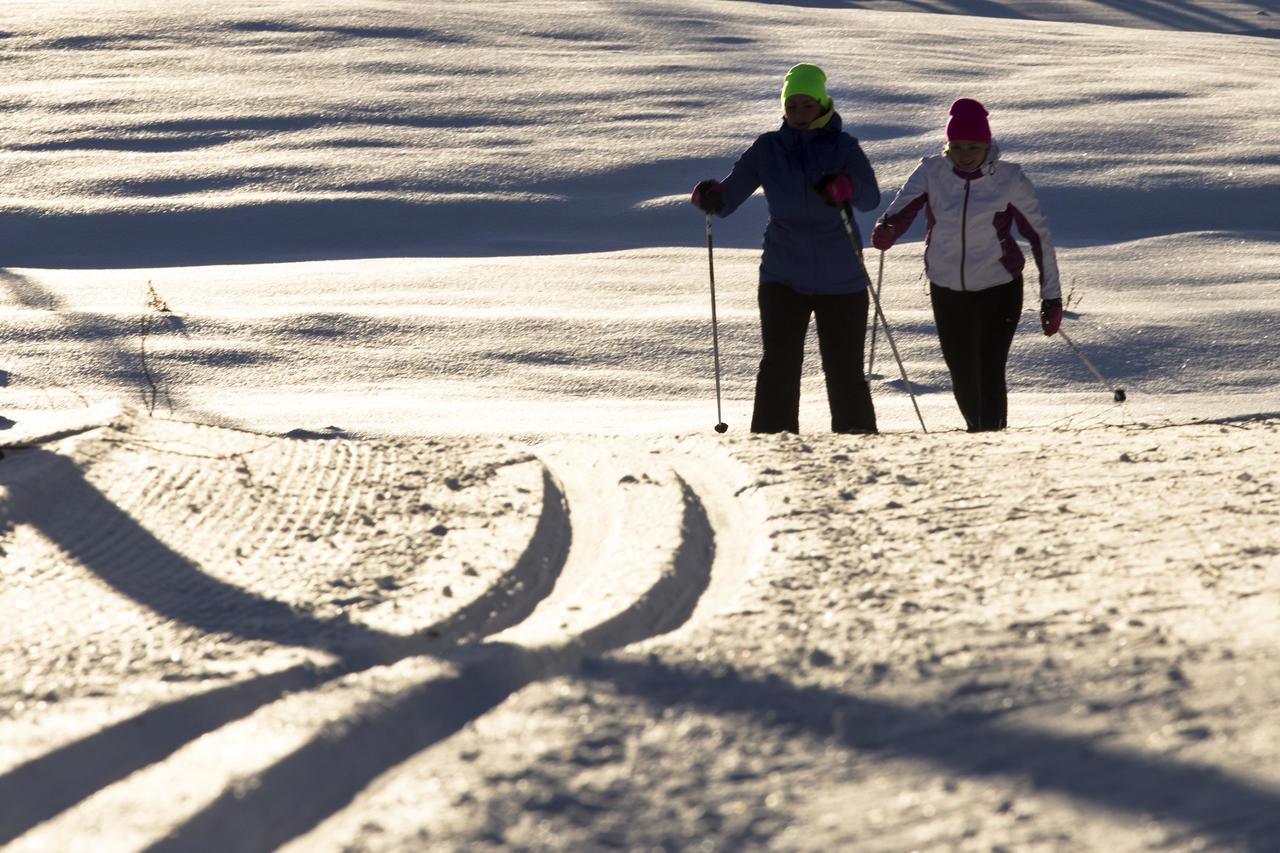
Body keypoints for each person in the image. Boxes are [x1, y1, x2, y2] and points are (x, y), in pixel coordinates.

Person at [690, 63, 881, 434]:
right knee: (779, 363)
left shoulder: (844, 147)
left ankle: (859, 445)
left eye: (807, 105)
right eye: (792, 106)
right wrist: (711, 197)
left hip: (842, 277)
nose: (798, 114)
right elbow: (731, 195)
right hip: (783, 274)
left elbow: (870, 198)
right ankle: (770, 446)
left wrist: (846, 186)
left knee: (844, 368)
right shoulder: (768, 148)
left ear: (823, 105)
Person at [872, 98, 1062, 433]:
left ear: (987, 144)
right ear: (948, 144)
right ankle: (977, 433)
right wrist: (887, 230)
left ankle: (992, 436)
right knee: (961, 370)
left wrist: (1052, 298)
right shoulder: (932, 172)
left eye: (974, 146)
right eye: (957, 146)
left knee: (989, 367)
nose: (966, 154)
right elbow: (899, 212)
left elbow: (1039, 236)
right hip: (946, 287)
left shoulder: (1009, 179)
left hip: (999, 287)